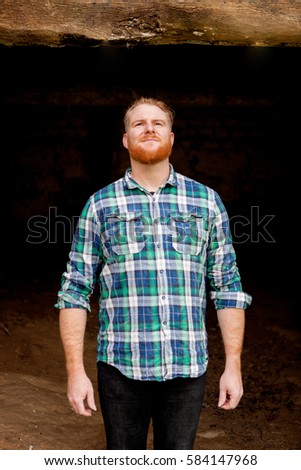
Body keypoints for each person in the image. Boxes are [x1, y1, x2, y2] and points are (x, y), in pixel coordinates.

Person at [55, 97, 252, 450]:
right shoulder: (100, 204)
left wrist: (233, 365)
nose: (149, 128)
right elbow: (75, 289)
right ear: (126, 140)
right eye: (138, 123)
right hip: (120, 368)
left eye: (158, 123)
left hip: (187, 367)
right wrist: (75, 372)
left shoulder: (206, 201)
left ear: (172, 138)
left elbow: (227, 286)